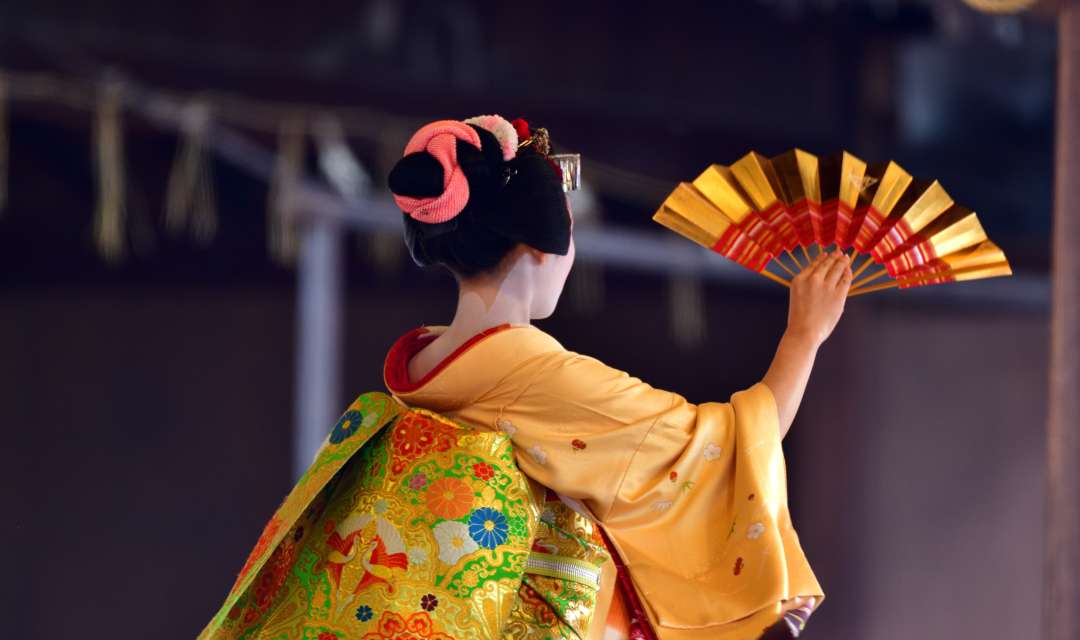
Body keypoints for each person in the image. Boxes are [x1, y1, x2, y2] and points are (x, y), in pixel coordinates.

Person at [202, 115, 852, 640]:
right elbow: (720, 449)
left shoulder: (420, 368)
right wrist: (805, 334)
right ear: (544, 249)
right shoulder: (543, 378)